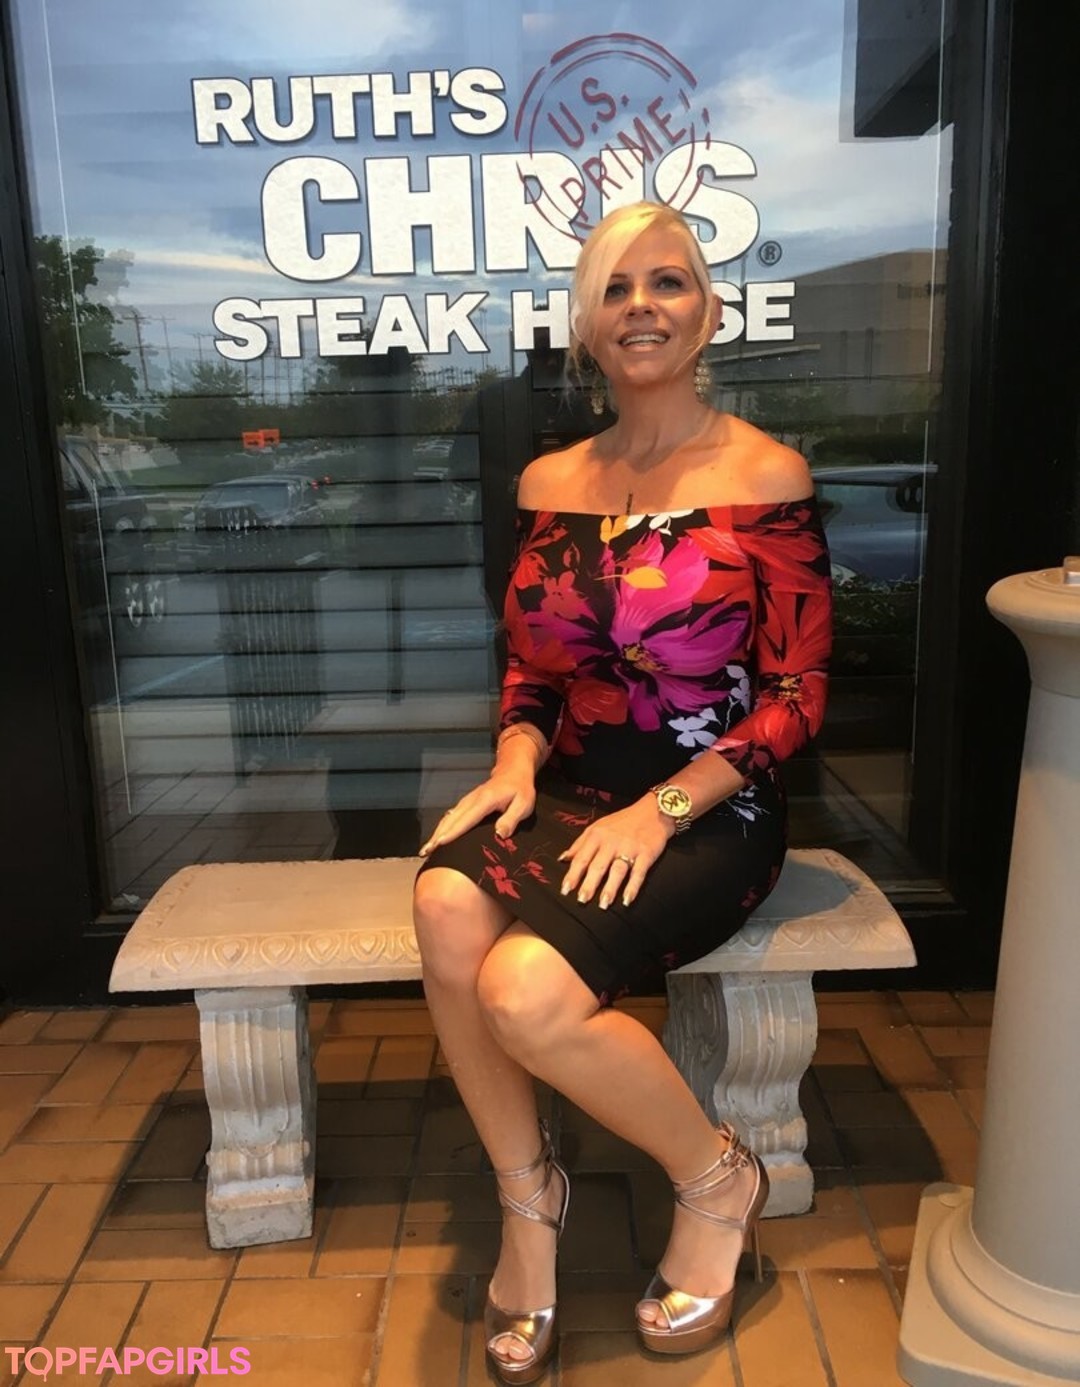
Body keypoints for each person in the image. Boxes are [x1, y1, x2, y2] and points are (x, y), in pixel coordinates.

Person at [413, 200, 832, 1381]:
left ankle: (717, 1178)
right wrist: (514, 758)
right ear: (587, 327)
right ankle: (527, 1199)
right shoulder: (552, 480)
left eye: (669, 282)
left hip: (713, 804)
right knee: (443, 901)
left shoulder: (766, 473)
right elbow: (533, 670)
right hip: (572, 790)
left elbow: (797, 695)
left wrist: (667, 809)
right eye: (616, 288)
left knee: (524, 993)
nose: (642, 306)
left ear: (710, 311)